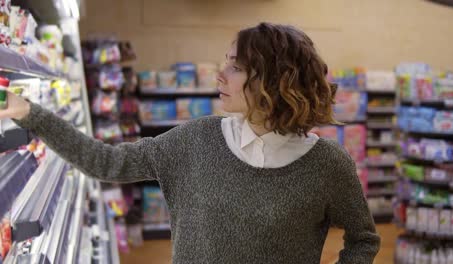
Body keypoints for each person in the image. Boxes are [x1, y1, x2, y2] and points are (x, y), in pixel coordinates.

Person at [1, 22, 380, 263]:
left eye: (234, 66)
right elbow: (107, 162)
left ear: (271, 79)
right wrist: (28, 112)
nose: (219, 75)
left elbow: (363, 240)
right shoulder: (195, 140)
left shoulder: (328, 164)